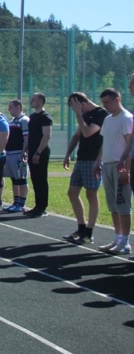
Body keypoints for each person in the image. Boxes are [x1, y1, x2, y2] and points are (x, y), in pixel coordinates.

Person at [62, 92, 108, 244]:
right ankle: (81, 228)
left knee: (91, 195)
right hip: (81, 159)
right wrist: (68, 153)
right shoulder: (85, 116)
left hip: (93, 160)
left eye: (76, 107)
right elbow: (78, 135)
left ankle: (89, 231)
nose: (76, 111)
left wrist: (78, 115)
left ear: (81, 104)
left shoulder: (101, 114)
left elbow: (88, 133)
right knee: (72, 193)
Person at [94, 87, 133, 254]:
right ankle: (117, 237)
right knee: (113, 205)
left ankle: (125, 241)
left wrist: (127, 169)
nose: (105, 106)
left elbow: (130, 146)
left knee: (123, 204)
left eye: (108, 102)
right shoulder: (108, 119)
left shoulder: (127, 119)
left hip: (120, 165)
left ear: (117, 99)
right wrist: (98, 162)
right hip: (107, 165)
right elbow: (105, 143)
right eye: (103, 103)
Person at [26, 92, 53, 218]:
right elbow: (31, 135)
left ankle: (42, 207)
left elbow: (46, 136)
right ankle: (37, 206)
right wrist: (25, 150)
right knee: (35, 179)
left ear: (41, 101)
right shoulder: (33, 116)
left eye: (34, 99)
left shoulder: (45, 117)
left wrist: (38, 152)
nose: (32, 101)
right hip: (32, 151)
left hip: (40, 152)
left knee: (41, 179)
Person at [2, 99, 29, 213]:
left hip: (18, 154)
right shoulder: (13, 120)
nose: (9, 109)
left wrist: (24, 151)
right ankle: (16, 202)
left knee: (21, 178)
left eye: (11, 107)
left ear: (18, 107)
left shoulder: (24, 120)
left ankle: (22, 203)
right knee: (14, 179)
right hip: (9, 153)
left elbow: (27, 138)